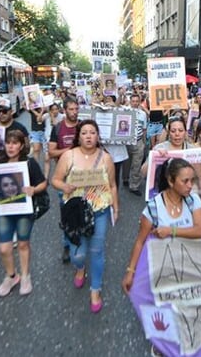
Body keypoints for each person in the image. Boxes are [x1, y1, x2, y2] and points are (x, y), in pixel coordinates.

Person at [50, 120, 118, 313]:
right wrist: (64, 186)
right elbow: (55, 180)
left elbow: (112, 185)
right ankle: (80, 268)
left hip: (100, 210)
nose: (89, 136)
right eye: (84, 133)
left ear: (98, 136)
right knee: (77, 254)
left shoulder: (106, 158)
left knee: (97, 251)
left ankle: (95, 289)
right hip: (75, 213)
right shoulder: (68, 156)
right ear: (78, 136)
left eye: (92, 133)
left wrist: (116, 207)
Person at [122, 158, 201, 294]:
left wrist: (170, 231)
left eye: (192, 180)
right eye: (185, 181)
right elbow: (140, 241)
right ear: (171, 181)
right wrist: (130, 272)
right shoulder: (153, 207)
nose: (190, 185)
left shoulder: (193, 200)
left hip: (191, 269)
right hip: (164, 271)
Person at [0, 130, 47, 297]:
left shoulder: (29, 163)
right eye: (8, 143)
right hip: (5, 209)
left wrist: (33, 189)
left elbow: (44, 183)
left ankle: (26, 276)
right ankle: (12, 276)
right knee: (4, 248)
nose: (11, 146)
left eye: (15, 143)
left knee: (23, 244)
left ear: (21, 145)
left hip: (23, 210)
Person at [49, 97, 80, 264]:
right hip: (64, 179)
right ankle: (67, 245)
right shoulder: (58, 128)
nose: (74, 112)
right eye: (71, 109)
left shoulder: (83, 126)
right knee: (67, 215)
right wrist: (70, 150)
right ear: (64, 110)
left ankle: (81, 242)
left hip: (83, 178)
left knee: (84, 211)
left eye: (76, 109)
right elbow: (51, 152)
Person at [123, 93, 148, 196]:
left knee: (136, 165)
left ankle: (134, 186)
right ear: (130, 101)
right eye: (133, 101)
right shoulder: (125, 111)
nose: (135, 103)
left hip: (138, 142)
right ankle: (125, 178)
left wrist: (144, 142)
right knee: (126, 163)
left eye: (137, 101)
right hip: (127, 142)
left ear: (139, 102)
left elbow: (144, 128)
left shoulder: (143, 114)